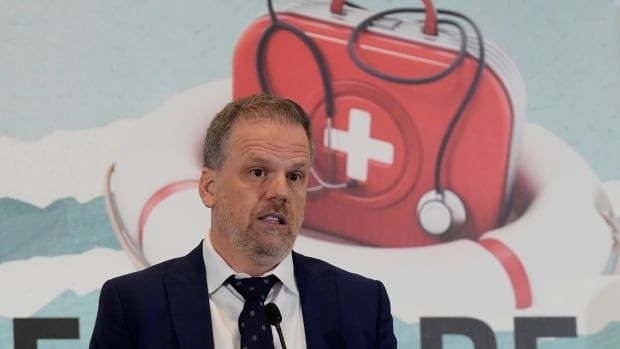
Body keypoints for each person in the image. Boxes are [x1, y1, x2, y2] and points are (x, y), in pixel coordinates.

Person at [90, 94, 397, 349]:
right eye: (258, 172)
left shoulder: (362, 305)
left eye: (294, 176)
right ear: (210, 188)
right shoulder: (135, 305)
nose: (280, 193)